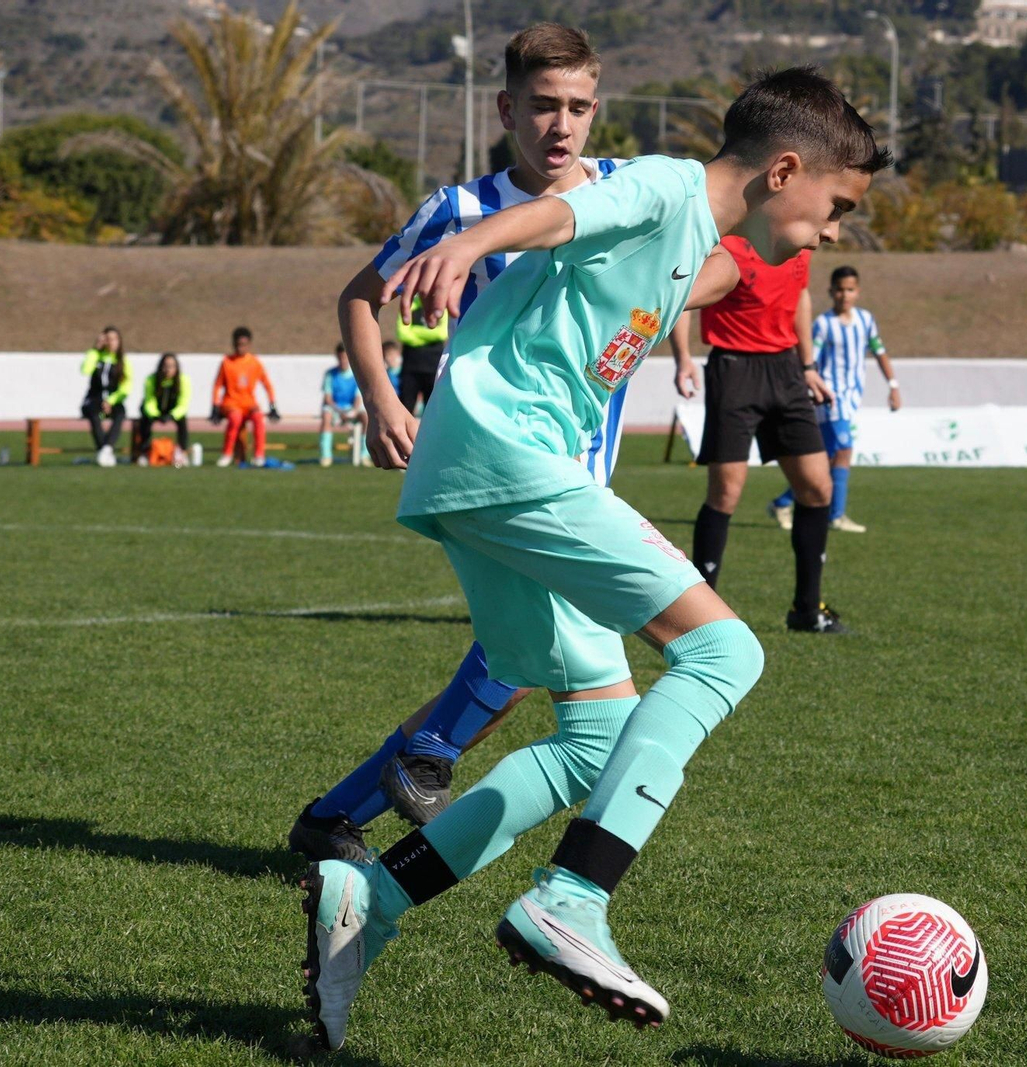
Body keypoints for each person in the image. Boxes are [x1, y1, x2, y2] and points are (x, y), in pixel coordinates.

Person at [299, 66, 888, 1051]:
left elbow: (691, 265)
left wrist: (740, 267)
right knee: (724, 652)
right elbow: (566, 213)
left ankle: (373, 895)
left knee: (593, 736)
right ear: (785, 170)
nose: (833, 232)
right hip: (509, 455)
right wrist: (472, 240)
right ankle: (573, 895)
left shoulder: (699, 239)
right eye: (838, 207)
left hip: (481, 465)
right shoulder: (664, 185)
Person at [287, 23, 634, 855]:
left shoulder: (626, 190)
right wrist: (380, 402)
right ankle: (431, 768)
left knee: (517, 665)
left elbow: (711, 264)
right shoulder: (460, 210)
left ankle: (337, 814)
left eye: (577, 106)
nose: (560, 124)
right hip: (498, 465)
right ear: (507, 110)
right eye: (543, 105)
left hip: (584, 471)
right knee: (535, 660)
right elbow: (360, 296)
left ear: (596, 110)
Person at [672, 229, 848, 634]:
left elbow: (800, 296)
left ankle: (807, 610)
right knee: (726, 493)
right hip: (734, 369)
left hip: (786, 370)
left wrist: (808, 366)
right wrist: (683, 359)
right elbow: (683, 297)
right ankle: (698, 619)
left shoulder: (801, 240)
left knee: (818, 488)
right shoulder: (724, 240)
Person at [770, 265, 899, 532]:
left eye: (850, 289)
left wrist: (893, 386)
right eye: (839, 290)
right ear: (831, 292)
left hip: (852, 397)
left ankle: (783, 502)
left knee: (829, 458)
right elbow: (810, 358)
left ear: (857, 291)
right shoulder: (823, 324)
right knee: (843, 450)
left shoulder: (866, 320)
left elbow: (879, 352)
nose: (844, 295)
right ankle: (836, 516)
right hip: (830, 398)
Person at [210, 326, 280, 467]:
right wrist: (215, 407)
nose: (241, 348)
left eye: (244, 345)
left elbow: (267, 385)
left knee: (258, 417)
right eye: (238, 344)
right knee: (235, 418)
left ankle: (259, 455)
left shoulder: (255, 363)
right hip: (231, 402)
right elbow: (217, 386)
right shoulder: (227, 362)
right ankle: (227, 454)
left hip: (249, 403)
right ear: (233, 344)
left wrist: (273, 406)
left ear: (249, 345)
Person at [79, 326, 131, 467]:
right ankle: (104, 450)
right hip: (94, 398)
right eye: (108, 339)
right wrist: (95, 350)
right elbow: (85, 370)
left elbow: (126, 387)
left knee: (120, 413)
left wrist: (111, 401)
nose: (111, 342)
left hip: (113, 400)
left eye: (114, 339)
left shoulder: (122, 361)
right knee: (93, 412)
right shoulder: (96, 356)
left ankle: (106, 449)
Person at [136, 352, 192, 466]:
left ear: (176, 368)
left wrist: (172, 415)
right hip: (155, 410)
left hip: (173, 410)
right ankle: (144, 452)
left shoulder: (183, 380)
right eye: (165, 366)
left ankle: (182, 452)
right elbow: (149, 401)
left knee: (182, 421)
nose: (168, 370)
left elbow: (183, 404)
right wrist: (156, 415)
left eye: (171, 366)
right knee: (145, 420)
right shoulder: (151, 379)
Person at [396, 295, 448, 414]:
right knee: (405, 408)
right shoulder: (408, 306)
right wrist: (429, 334)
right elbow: (402, 334)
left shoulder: (440, 308)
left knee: (432, 410)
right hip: (410, 368)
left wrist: (414, 334)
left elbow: (442, 334)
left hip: (433, 367)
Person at [320, 343, 364, 468]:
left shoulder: (356, 374)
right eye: (340, 358)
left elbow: (358, 399)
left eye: (345, 358)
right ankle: (326, 456)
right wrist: (340, 412)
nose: (343, 361)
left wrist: (352, 411)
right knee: (326, 416)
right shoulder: (330, 374)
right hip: (335, 409)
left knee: (366, 417)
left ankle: (365, 455)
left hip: (351, 409)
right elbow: (328, 399)